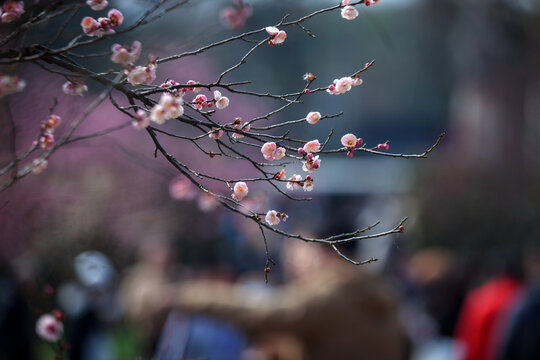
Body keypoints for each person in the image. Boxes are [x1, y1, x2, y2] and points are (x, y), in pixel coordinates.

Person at [122, 240, 409, 360]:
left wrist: (184, 296)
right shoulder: (360, 287)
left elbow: (268, 312)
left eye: (298, 249)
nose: (292, 261)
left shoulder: (333, 291)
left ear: (324, 251)